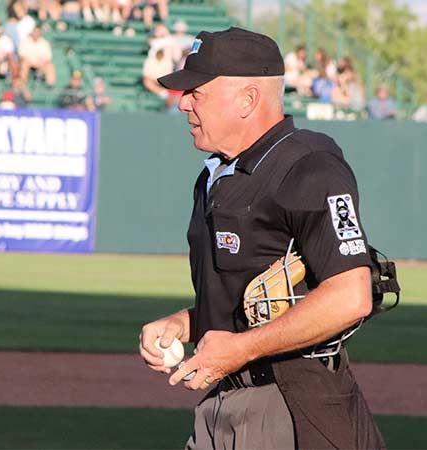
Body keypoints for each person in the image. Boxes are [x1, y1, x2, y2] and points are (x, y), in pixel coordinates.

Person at [139, 27, 386, 449]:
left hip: (293, 406)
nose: (183, 104)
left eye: (197, 92)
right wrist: (188, 322)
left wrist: (239, 349)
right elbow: (249, 303)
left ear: (248, 99)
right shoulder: (216, 175)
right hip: (222, 401)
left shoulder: (310, 167)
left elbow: (351, 295)